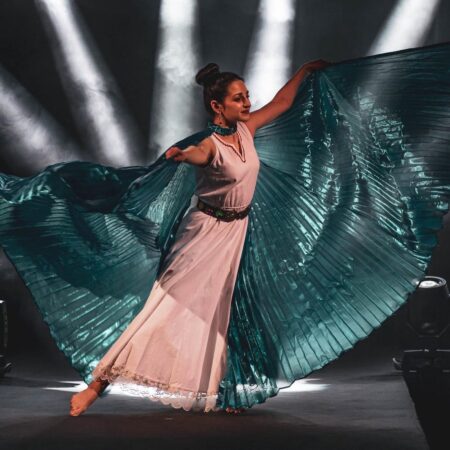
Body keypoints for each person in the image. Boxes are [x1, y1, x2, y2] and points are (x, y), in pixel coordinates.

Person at [69, 59, 330, 416]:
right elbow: (196, 154)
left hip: (236, 231)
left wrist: (305, 71)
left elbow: (282, 103)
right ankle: (95, 387)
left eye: (247, 96)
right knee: (164, 308)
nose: (248, 103)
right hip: (203, 233)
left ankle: (226, 391)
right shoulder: (209, 145)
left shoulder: (247, 129)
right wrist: (182, 155)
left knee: (225, 313)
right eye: (239, 98)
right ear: (217, 106)